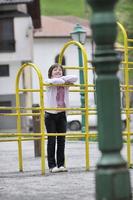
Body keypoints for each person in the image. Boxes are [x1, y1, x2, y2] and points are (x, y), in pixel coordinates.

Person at [45, 63, 78, 173]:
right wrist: (61, 80)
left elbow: (75, 78)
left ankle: (61, 165)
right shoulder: (48, 82)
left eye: (60, 70)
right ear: (50, 73)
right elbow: (54, 81)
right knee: (51, 140)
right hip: (50, 114)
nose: (58, 71)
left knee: (61, 141)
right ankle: (51, 166)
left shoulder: (65, 82)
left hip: (62, 114)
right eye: (55, 70)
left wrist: (62, 79)